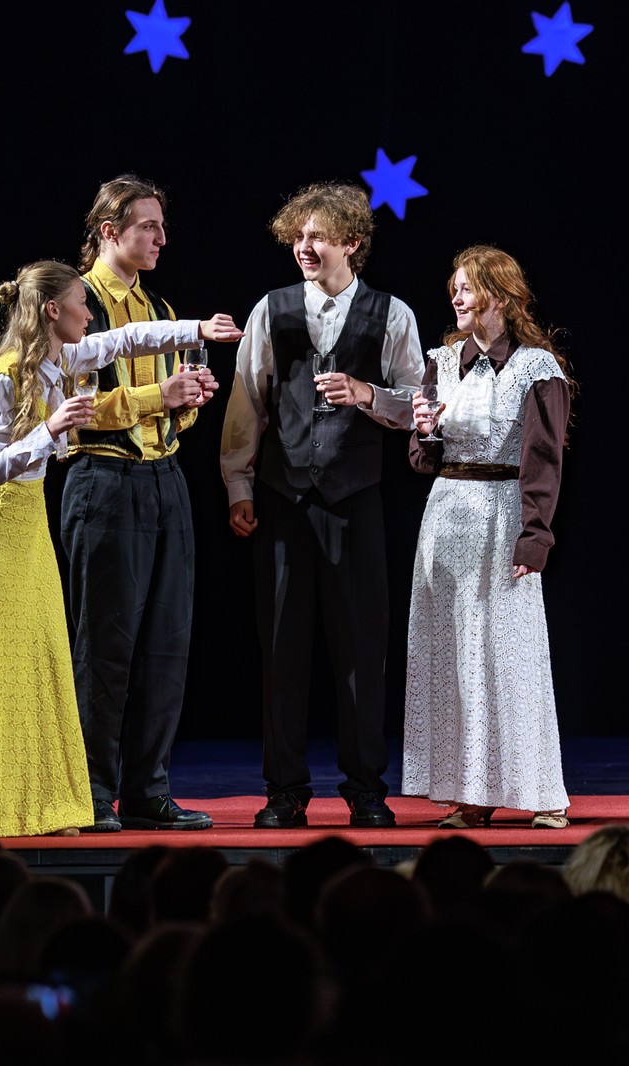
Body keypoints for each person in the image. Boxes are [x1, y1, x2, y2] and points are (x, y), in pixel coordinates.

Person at [0, 260, 240, 838]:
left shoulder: (62, 359)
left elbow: (129, 338)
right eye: (82, 303)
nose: (90, 313)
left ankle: (31, 805)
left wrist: (197, 330)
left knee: (35, 663)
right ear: (53, 310)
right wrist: (51, 428)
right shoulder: (5, 376)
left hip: (26, 520)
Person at [219, 182, 422, 829]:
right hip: (283, 499)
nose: (304, 247)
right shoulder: (272, 309)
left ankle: (366, 789)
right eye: (298, 237)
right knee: (283, 648)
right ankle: (284, 792)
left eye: (318, 237)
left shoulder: (391, 314)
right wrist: (239, 485)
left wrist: (367, 394)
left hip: (354, 499)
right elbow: (246, 402)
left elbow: (417, 405)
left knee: (361, 648)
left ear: (352, 242)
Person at [64, 176, 218, 832]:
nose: (161, 238)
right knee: (105, 645)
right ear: (109, 231)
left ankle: (148, 791)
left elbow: (176, 405)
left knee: (166, 644)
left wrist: (191, 398)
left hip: (164, 480)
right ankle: (92, 793)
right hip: (104, 480)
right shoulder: (75, 303)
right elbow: (71, 409)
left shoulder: (159, 307)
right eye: (147, 226)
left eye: (161, 226)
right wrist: (163, 396)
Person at [402, 245, 573, 831]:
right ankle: (471, 794)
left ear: (499, 295)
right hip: (445, 517)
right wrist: (425, 434)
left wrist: (535, 537)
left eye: (467, 288)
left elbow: (544, 460)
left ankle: (544, 792)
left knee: (510, 656)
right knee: (454, 658)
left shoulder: (535, 367)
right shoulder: (443, 361)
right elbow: (423, 459)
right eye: (454, 288)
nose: (456, 297)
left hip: (501, 517)